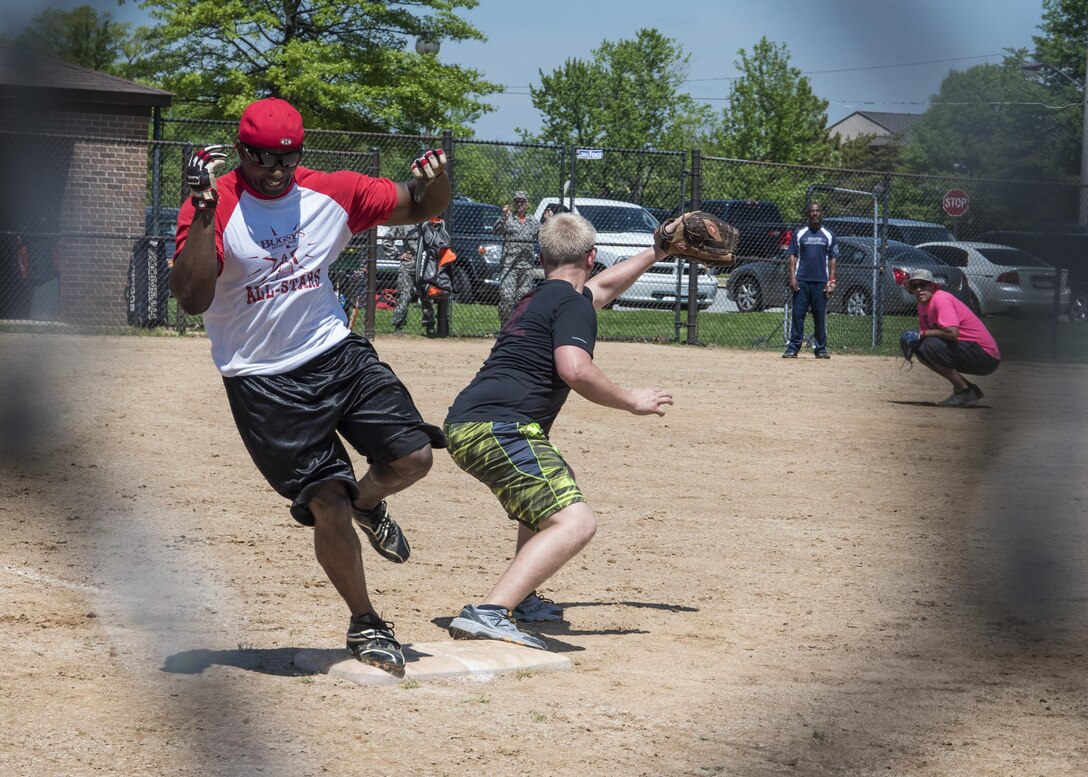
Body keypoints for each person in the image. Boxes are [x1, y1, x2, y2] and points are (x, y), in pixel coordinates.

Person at [170, 97, 451, 674]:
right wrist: (201, 212)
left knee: (415, 456)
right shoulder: (215, 203)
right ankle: (366, 621)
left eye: (286, 158)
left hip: (334, 351)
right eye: (260, 158)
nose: (274, 169)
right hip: (262, 379)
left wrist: (437, 179)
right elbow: (192, 297)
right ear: (240, 151)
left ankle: (368, 503)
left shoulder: (333, 190)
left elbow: (420, 207)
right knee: (327, 504)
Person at [442, 211, 676, 650]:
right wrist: (631, 400)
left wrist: (656, 253)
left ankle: (522, 597)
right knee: (575, 522)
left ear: (540, 255)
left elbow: (602, 289)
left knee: (545, 499)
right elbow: (575, 368)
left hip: (472, 422)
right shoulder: (572, 304)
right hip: (501, 427)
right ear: (591, 257)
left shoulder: (538, 298)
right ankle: (490, 613)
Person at [905, 268, 1000, 407]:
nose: (919, 289)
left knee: (929, 345)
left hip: (986, 356)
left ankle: (964, 391)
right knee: (919, 347)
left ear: (931, 285)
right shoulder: (922, 305)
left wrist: (922, 334)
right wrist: (919, 336)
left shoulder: (941, 299)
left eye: (923, 284)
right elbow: (928, 332)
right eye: (914, 286)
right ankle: (968, 389)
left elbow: (952, 332)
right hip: (970, 350)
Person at [784, 202, 838, 359]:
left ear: (821, 214)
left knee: (819, 316)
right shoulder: (800, 233)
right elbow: (793, 256)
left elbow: (833, 259)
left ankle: (820, 348)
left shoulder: (828, 235)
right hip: (802, 281)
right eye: (812, 211)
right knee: (797, 315)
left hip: (821, 282)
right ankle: (793, 347)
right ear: (808, 214)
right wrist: (793, 277)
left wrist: (831, 281)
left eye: (817, 211)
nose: (815, 214)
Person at [494, 191, 551, 326]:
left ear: (527, 203)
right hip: (509, 265)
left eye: (522, 201)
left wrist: (549, 221)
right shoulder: (508, 218)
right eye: (517, 201)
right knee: (507, 297)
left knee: (522, 299)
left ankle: (518, 327)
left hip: (526, 265)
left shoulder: (532, 221)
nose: (519, 204)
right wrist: (503, 217)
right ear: (514, 203)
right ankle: (505, 327)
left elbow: (544, 236)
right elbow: (496, 230)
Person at [17, 216, 61, 321]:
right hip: (34, 273)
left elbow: (55, 258)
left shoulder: (49, 241)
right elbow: (22, 255)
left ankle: (46, 316)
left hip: (43, 274)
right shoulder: (28, 240)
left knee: (40, 297)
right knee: (27, 296)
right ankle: (25, 316)